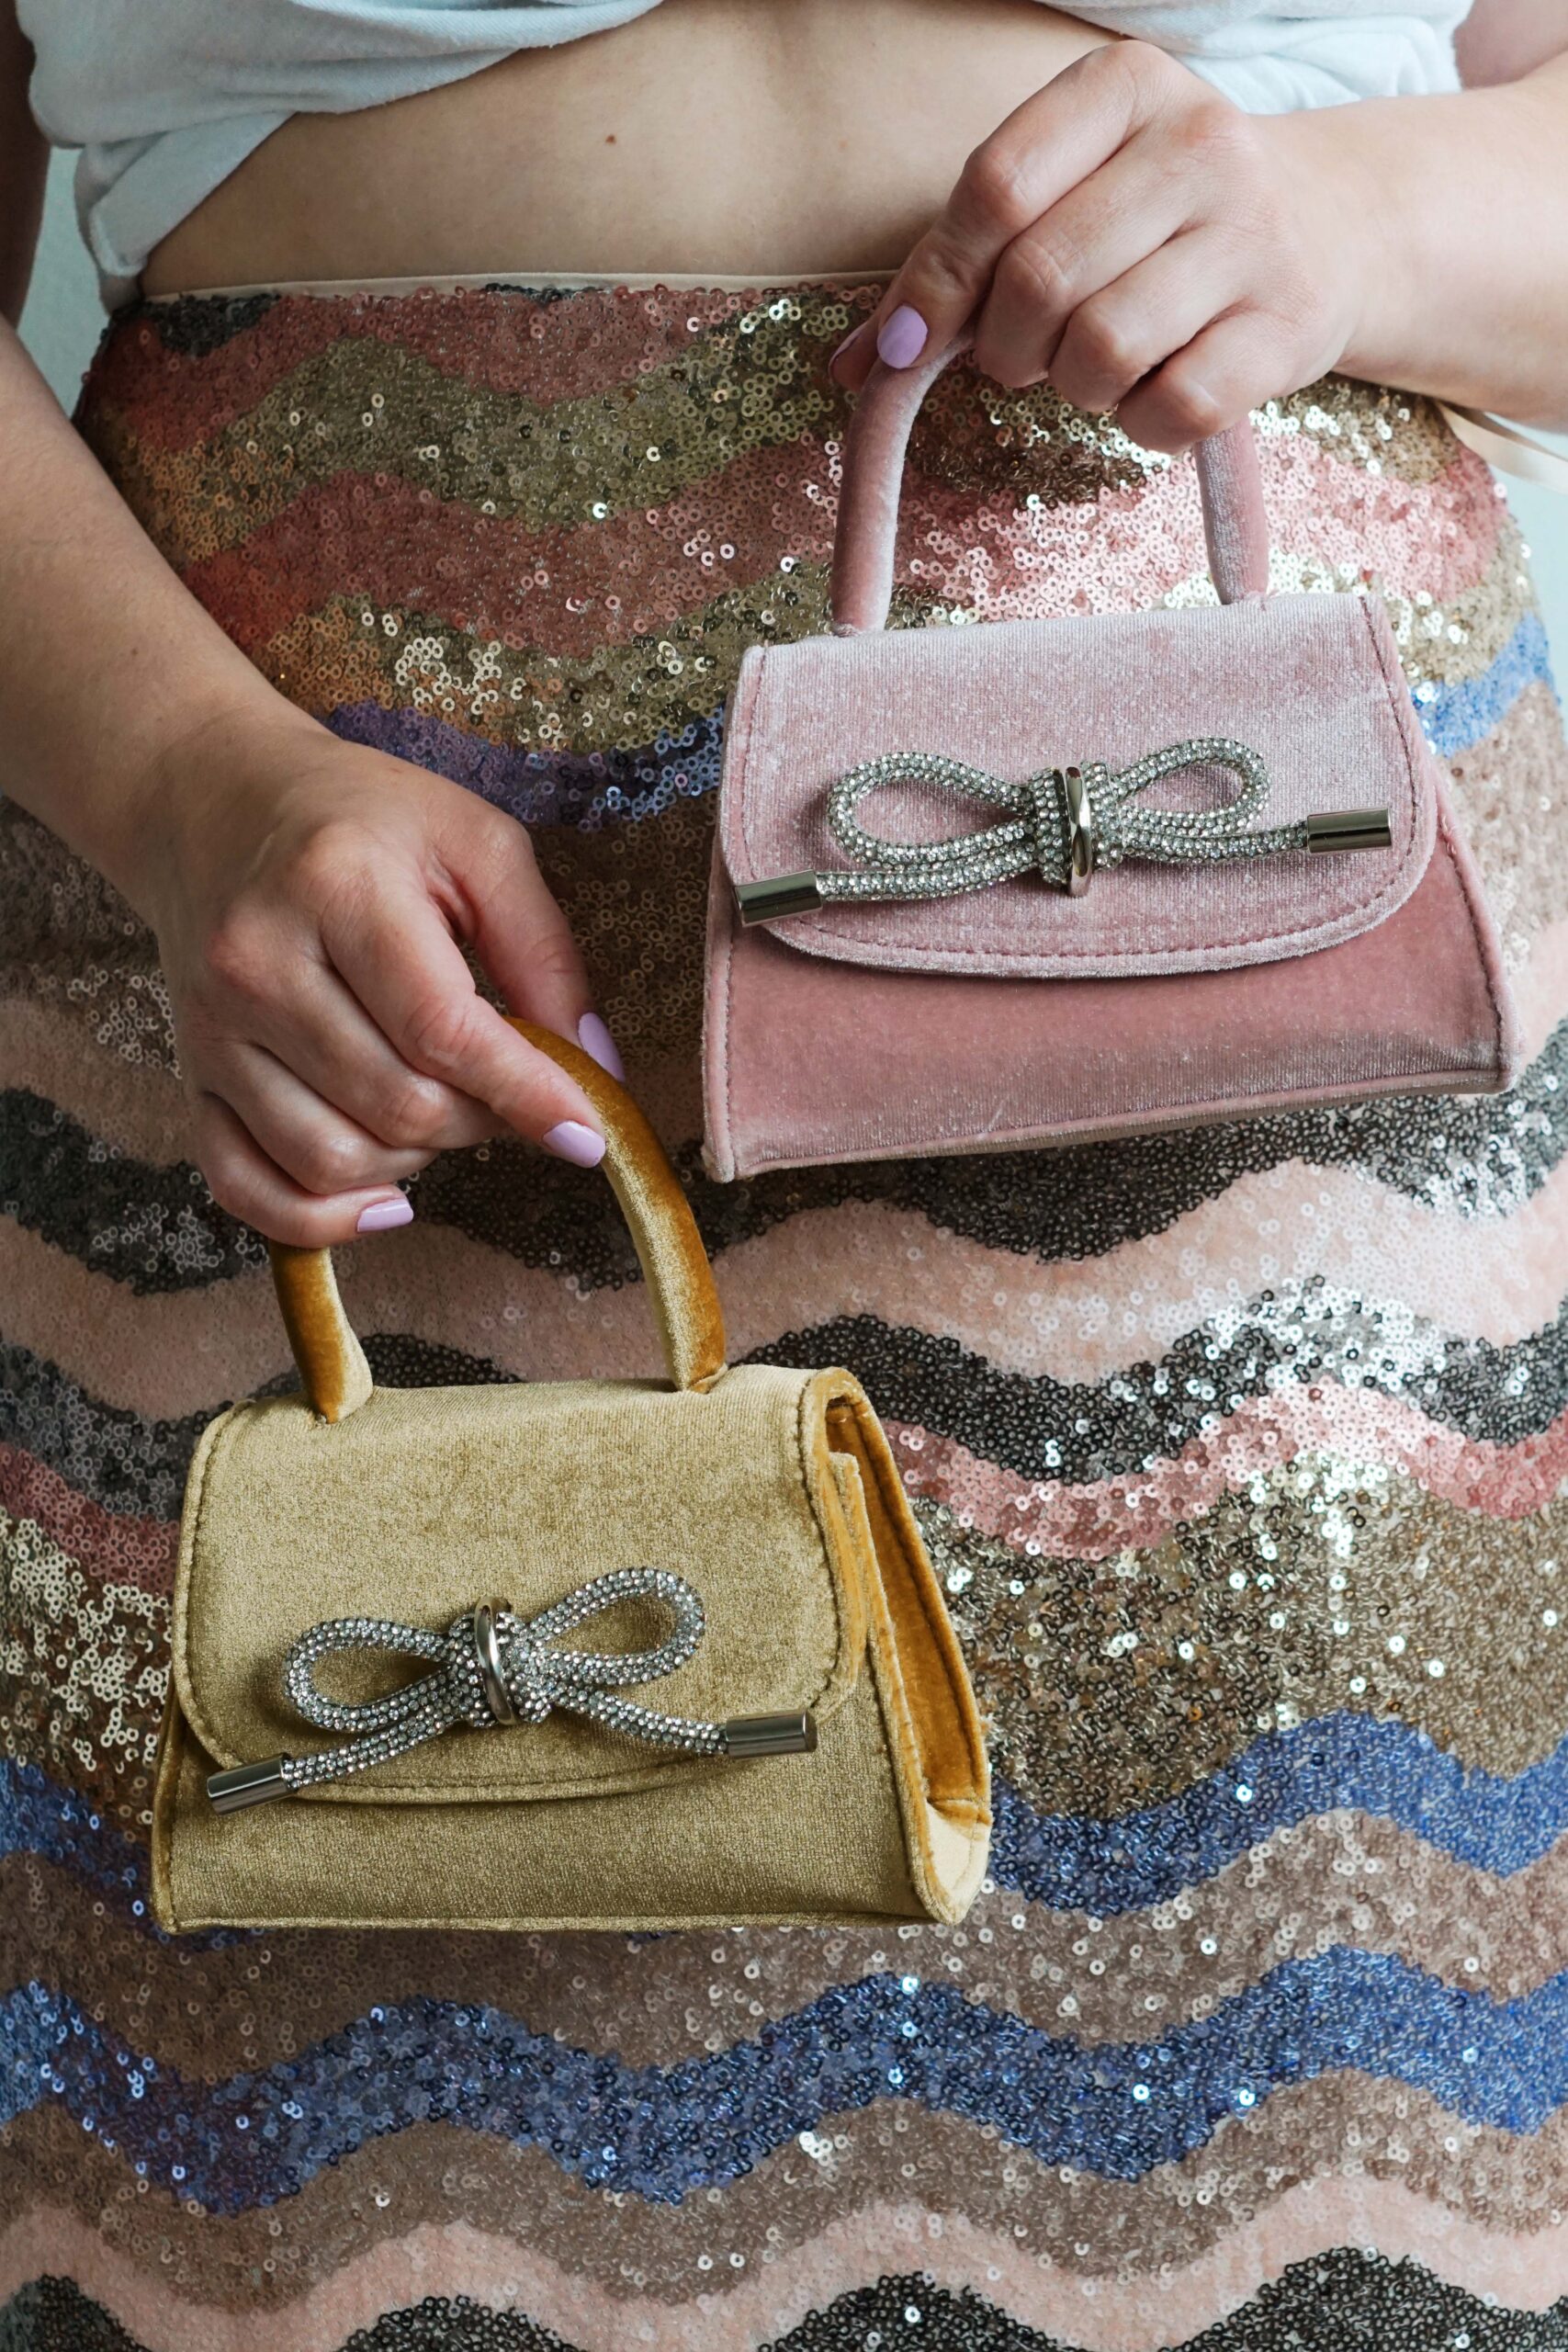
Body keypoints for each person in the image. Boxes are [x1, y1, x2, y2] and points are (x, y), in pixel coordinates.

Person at [3, 0, 1567, 2340]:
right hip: (322, 984)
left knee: (1305, 2206)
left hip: (1238, 1023)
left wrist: (1344, 211)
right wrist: (174, 782)